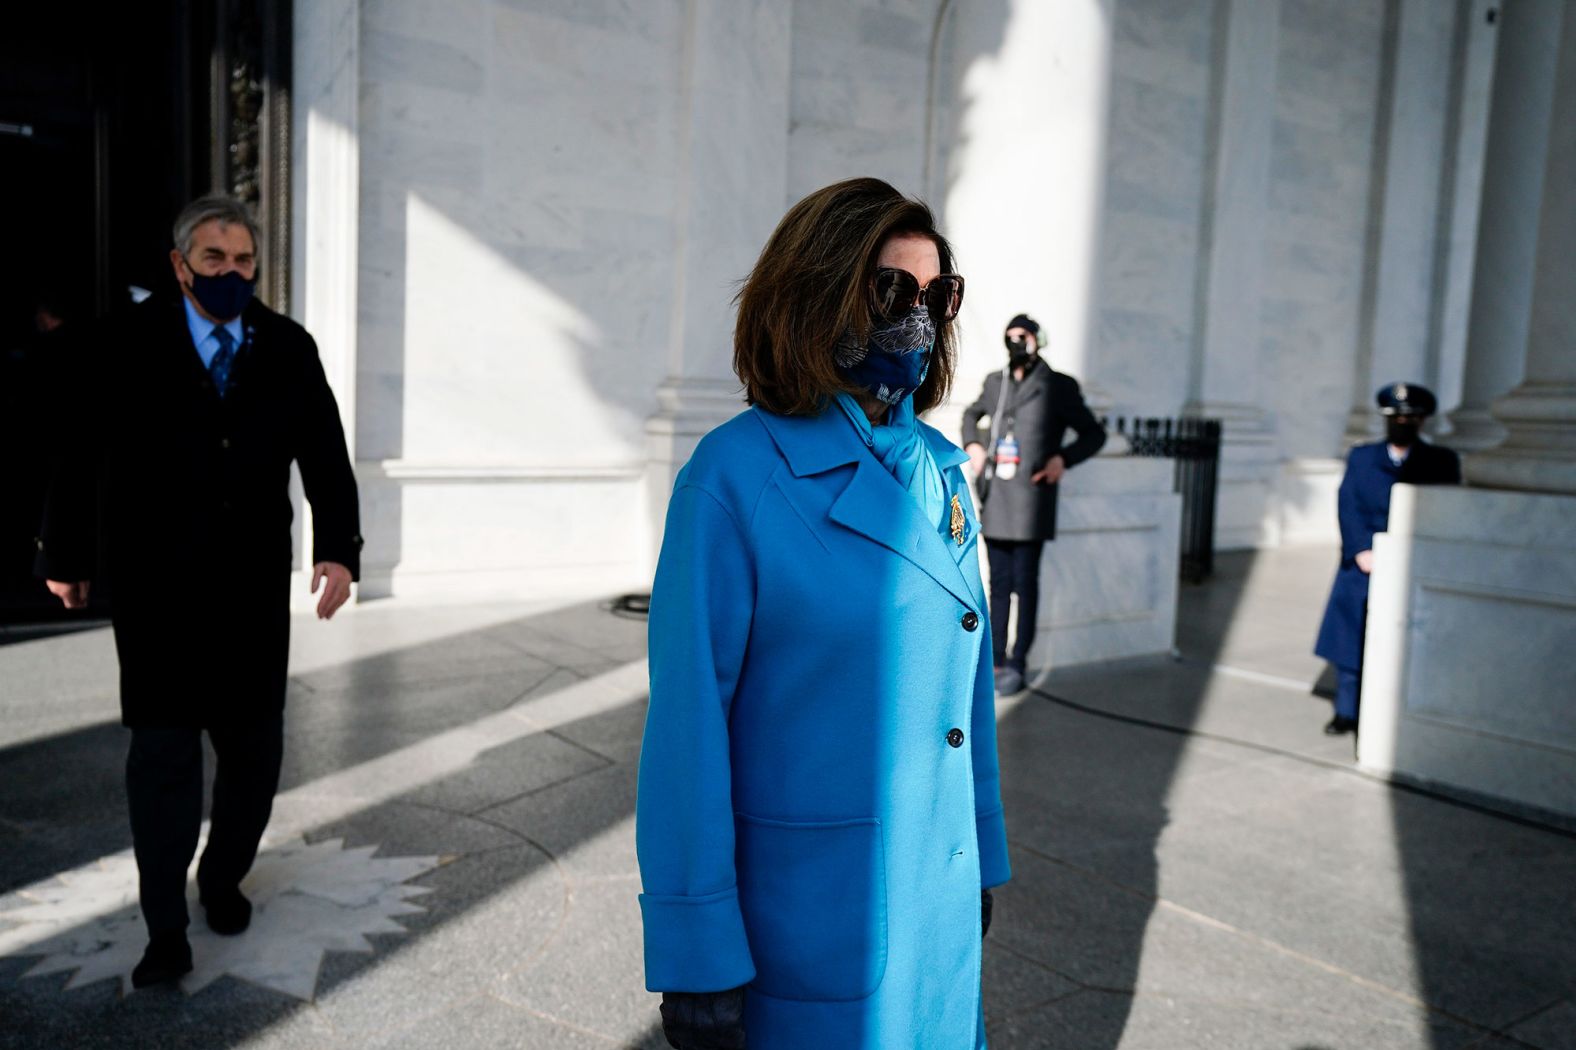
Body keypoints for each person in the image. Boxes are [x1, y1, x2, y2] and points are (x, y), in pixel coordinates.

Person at [637, 177, 1009, 1049]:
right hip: (813, 914)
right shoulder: (732, 478)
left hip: (936, 898)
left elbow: (969, 690)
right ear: (820, 291)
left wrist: (980, 854)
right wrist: (696, 950)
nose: (917, 317)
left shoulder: (940, 470)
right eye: (891, 291)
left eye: (936, 295)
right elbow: (688, 730)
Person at [36, 195, 362, 988]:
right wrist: (67, 552)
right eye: (214, 259)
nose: (231, 273)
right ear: (180, 265)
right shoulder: (123, 344)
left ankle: (222, 876)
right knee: (163, 757)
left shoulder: (289, 346)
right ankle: (165, 929)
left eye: (244, 260)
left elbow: (324, 451)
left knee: (255, 758)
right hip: (158, 593)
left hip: (250, 595)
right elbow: (78, 453)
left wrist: (339, 551)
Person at [960, 315, 1106, 694]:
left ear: (1038, 340)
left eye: (1022, 337)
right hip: (996, 495)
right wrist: (973, 444)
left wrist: (1062, 459)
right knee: (998, 583)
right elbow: (971, 414)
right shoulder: (997, 383)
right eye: (1009, 337)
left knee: (1024, 582)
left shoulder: (1056, 386)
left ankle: (1018, 661)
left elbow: (1094, 433)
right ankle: (994, 660)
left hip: (1031, 499)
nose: (1015, 344)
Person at [1315, 382, 1459, 736]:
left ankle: (1392, 714)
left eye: (1410, 418)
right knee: (1350, 641)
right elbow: (1348, 504)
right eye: (1395, 418)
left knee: (1406, 643)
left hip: (1411, 565)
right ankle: (1346, 712)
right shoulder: (1362, 457)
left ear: (1422, 421)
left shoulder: (1440, 462)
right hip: (1364, 566)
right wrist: (1361, 549)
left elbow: (1444, 512)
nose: (1402, 424)